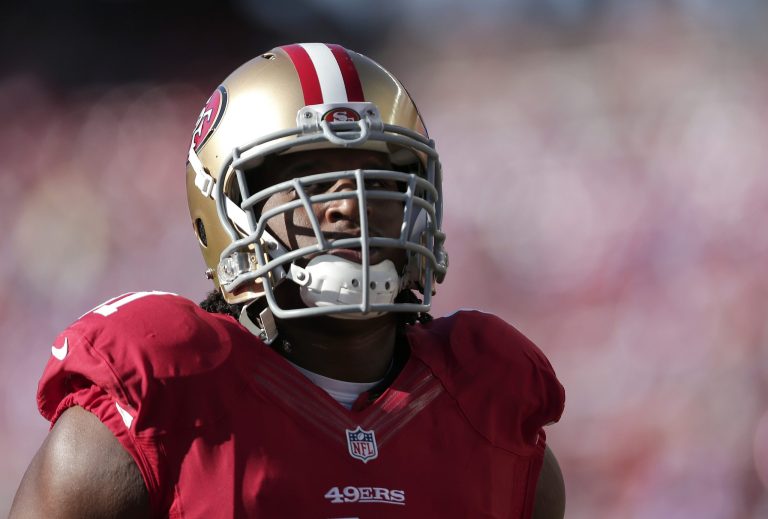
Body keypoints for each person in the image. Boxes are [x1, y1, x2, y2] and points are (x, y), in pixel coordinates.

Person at [10, 43, 565, 518]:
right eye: (310, 181)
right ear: (227, 210)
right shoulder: (153, 410)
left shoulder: (492, 414)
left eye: (378, 180)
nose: (350, 206)